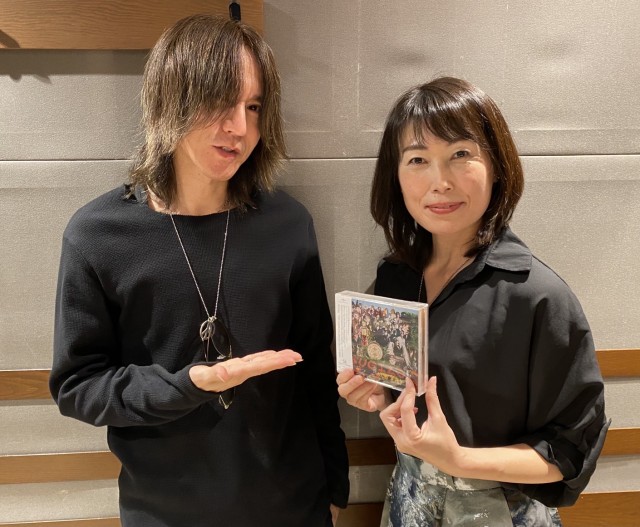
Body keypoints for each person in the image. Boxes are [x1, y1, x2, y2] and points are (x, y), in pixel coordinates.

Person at [50, 14, 349, 527]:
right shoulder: (97, 234)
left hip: (292, 504)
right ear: (171, 98)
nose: (240, 128)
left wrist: (335, 483)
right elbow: (78, 385)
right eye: (221, 102)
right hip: (165, 510)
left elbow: (315, 368)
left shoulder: (287, 223)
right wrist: (185, 386)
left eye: (253, 107)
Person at [337, 77, 609, 526]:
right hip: (408, 502)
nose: (440, 182)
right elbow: (403, 391)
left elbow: (567, 452)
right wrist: (378, 394)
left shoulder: (537, 295)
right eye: (418, 159)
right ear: (396, 176)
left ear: (497, 166)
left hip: (501, 511)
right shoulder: (395, 279)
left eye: (461, 154)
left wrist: (460, 459)